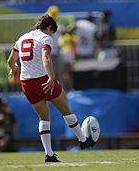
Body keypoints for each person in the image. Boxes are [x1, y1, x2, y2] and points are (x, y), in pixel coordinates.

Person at [7, 14, 95, 162]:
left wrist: (15, 68)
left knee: (43, 118)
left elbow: (10, 61)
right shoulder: (45, 38)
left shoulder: (22, 38)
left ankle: (49, 154)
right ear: (49, 28)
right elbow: (46, 57)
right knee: (65, 110)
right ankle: (82, 140)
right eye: (52, 32)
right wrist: (52, 77)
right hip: (42, 79)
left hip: (26, 83)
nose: (51, 35)